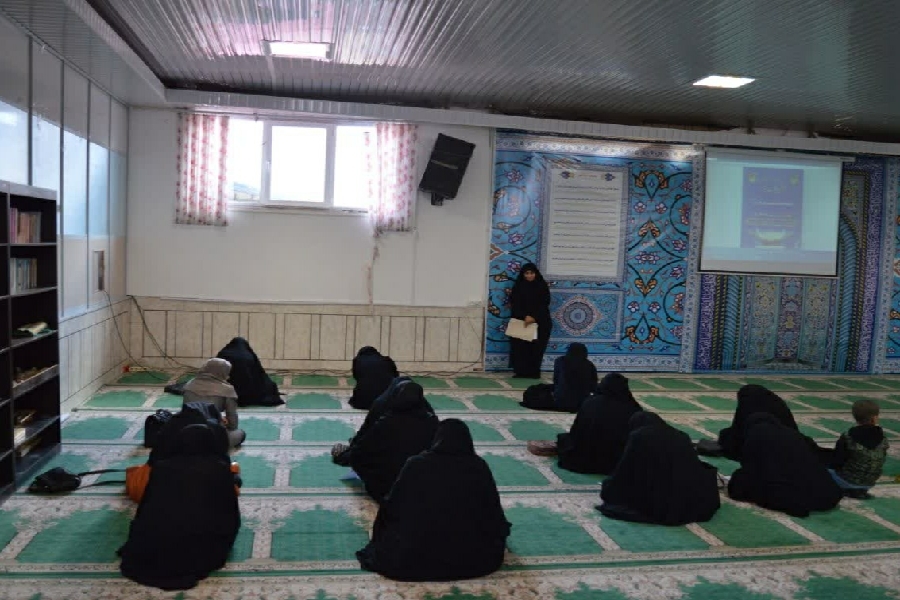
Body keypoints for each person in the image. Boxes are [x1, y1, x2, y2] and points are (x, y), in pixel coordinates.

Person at [357, 419, 511, 581]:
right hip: (475, 558)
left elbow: (393, 505)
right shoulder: (478, 466)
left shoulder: (416, 464)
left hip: (415, 554)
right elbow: (492, 510)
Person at [118, 403, 241, 590]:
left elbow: (146, 509)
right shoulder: (218, 469)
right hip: (200, 547)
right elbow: (230, 515)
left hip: (156, 547)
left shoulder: (162, 467)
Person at [598, 412, 720, 525]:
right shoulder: (681, 435)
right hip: (683, 495)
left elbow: (625, 469)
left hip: (654, 498)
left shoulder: (638, 436)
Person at [342, 378, 440, 503]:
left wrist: (344, 455)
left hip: (386, 486)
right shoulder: (432, 422)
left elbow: (361, 451)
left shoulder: (386, 422)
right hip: (421, 486)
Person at [727, 413, 842, 518]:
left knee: (740, 482)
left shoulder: (756, 434)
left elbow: (750, 467)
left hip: (791, 493)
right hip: (826, 494)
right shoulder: (792, 433)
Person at [556, 372, 643, 474]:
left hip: (587, 456)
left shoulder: (590, 402)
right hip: (616, 460)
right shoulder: (632, 408)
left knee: (565, 440)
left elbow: (577, 431)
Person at [717, 384, 800, 461]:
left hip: (763, 445)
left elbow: (738, 430)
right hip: (790, 445)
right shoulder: (778, 406)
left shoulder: (748, 408)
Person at [829, 399, 889, 499]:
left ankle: (848, 489)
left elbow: (837, 462)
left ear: (855, 416)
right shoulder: (883, 437)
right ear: (875, 417)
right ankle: (859, 490)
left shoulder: (848, 436)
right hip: (870, 482)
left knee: (821, 468)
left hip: (847, 481)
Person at [182, 357, 246, 448]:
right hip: (212, 437)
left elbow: (186, 412)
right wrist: (221, 421)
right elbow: (233, 424)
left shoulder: (189, 385)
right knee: (241, 433)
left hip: (187, 435)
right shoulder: (227, 390)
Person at [521, 342, 598, 412]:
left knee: (536, 391)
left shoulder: (560, 361)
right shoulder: (590, 365)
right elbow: (593, 386)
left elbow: (556, 381)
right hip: (581, 403)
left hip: (560, 402)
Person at [508, 263, 552, 378]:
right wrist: (524, 316)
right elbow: (515, 303)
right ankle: (521, 372)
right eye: (526, 273)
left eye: (531, 273)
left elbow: (544, 303)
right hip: (522, 322)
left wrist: (534, 317)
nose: (529, 276)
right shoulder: (518, 287)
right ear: (523, 275)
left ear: (535, 274)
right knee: (520, 348)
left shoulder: (542, 286)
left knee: (536, 348)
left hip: (540, 322)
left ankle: (534, 372)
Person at [216, 337, 283, 407]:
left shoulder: (224, 354)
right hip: (249, 391)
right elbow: (258, 372)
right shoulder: (248, 356)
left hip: (226, 390)